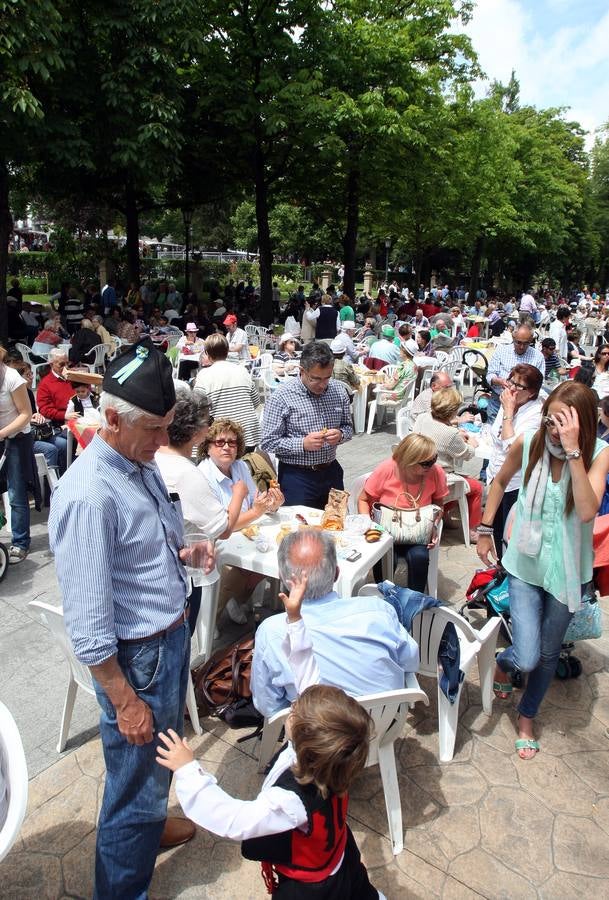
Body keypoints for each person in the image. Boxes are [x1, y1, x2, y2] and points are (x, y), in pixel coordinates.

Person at [49, 337, 216, 896]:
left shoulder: (135, 458)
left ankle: (149, 822)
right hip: (136, 659)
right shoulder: (88, 495)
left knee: (157, 757)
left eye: (169, 426)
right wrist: (123, 700)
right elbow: (91, 628)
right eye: (156, 430)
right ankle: (123, 880)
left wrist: (186, 552)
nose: (166, 442)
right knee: (131, 783)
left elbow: (144, 549)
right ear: (114, 419)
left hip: (166, 640)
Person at [157, 570, 385, 900]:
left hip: (311, 888)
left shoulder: (292, 801)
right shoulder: (329, 753)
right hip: (339, 856)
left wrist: (188, 770)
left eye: (295, 711)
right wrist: (294, 619)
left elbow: (233, 819)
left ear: (303, 741)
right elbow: (308, 675)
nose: (293, 706)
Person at [477, 381, 609, 759]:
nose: (552, 430)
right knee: (528, 655)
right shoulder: (531, 442)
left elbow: (587, 510)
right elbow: (500, 481)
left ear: (581, 422)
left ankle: (526, 716)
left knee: (550, 654)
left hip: (567, 573)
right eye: (550, 420)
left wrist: (572, 452)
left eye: (561, 423)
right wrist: (485, 531)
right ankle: (505, 664)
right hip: (525, 564)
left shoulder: (599, 453)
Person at [251, 530, 419, 717]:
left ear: (283, 578)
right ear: (337, 573)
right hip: (385, 723)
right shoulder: (378, 609)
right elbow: (410, 659)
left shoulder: (271, 631)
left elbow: (268, 705)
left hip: (316, 737)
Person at [156, 394, 249, 633]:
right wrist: (238, 493)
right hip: (187, 574)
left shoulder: (155, 457)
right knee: (182, 638)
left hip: (163, 567)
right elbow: (224, 529)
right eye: (207, 422)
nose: (209, 427)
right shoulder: (186, 473)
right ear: (196, 432)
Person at [199, 418, 284, 624]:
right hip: (216, 542)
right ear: (208, 447)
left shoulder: (240, 467)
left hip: (247, 532)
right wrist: (257, 512)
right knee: (250, 564)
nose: (227, 447)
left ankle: (238, 597)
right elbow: (223, 528)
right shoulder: (203, 475)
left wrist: (272, 504)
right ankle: (218, 611)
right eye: (220, 442)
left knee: (278, 551)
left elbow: (257, 502)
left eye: (232, 442)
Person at [261, 341, 352, 508]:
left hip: (331, 472)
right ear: (302, 371)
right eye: (316, 378)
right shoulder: (281, 396)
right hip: (297, 477)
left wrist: (340, 435)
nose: (323, 384)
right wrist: (302, 444)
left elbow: (348, 427)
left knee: (336, 526)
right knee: (301, 530)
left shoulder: (338, 391)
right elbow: (268, 442)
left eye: (327, 378)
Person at [357, 435, 447, 592]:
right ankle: (384, 596)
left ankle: (414, 601)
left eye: (434, 459)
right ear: (409, 459)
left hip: (418, 531)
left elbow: (439, 504)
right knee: (384, 558)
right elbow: (363, 499)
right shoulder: (387, 469)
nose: (431, 466)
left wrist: (435, 525)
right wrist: (368, 524)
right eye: (426, 463)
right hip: (386, 530)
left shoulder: (436, 472)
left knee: (420, 557)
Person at [485, 364, 544, 557]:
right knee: (495, 533)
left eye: (519, 386)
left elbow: (513, 449)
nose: (511, 389)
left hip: (514, 486)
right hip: (496, 477)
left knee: (508, 540)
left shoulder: (535, 413)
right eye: (511, 382)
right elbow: (497, 435)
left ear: (532, 392)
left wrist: (509, 412)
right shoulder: (509, 402)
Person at [413, 387, 483, 544]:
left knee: (460, 484)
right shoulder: (449, 434)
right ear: (453, 411)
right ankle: (472, 531)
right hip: (438, 476)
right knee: (477, 488)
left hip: (417, 471)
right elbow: (467, 454)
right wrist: (471, 443)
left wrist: (455, 431)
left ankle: (446, 513)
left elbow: (438, 427)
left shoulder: (423, 417)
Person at [194, 333, 261, 452]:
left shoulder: (204, 375)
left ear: (208, 354)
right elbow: (256, 402)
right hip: (249, 435)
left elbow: (199, 410)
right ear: (227, 352)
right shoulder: (242, 370)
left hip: (224, 439)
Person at [0, 345, 33, 563]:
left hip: (16, 439)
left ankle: (20, 542)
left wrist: (2, 433)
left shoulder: (12, 378)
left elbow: (26, 414)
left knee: (15, 491)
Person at [486, 324, 545, 423]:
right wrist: (499, 381)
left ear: (531, 341)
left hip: (523, 406)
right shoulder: (501, 351)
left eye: (526, 343)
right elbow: (490, 375)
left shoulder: (538, 356)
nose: (521, 347)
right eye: (518, 342)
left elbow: (539, 384)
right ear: (513, 338)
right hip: (499, 399)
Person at [36, 348, 72, 471]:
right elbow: (45, 409)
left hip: (77, 419)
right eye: (62, 364)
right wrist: (65, 416)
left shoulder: (73, 377)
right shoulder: (45, 384)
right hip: (57, 425)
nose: (66, 367)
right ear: (52, 364)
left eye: (68, 363)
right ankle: (64, 475)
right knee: (64, 444)